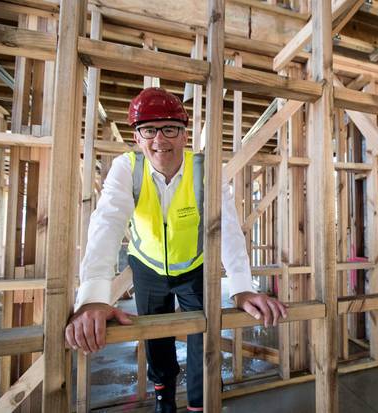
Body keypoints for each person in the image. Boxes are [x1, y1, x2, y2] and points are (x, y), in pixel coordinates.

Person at [65, 87, 287, 413]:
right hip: (147, 268)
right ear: (137, 137)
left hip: (195, 267)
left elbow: (226, 227)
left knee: (203, 335)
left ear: (184, 134)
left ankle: (199, 402)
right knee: (157, 339)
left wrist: (241, 287)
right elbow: (106, 225)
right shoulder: (127, 168)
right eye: (148, 130)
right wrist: (94, 297)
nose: (159, 140)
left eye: (170, 129)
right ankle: (163, 396)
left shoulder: (204, 170)